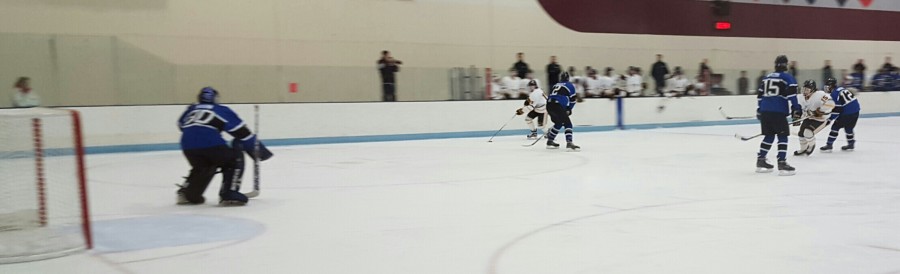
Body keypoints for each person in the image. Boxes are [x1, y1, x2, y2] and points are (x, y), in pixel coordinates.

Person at [177, 87, 273, 206]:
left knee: (203, 166)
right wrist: (260, 152)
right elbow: (242, 133)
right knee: (233, 158)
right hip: (211, 144)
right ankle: (229, 193)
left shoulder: (191, 109)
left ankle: (188, 193)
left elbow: (181, 125)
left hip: (187, 147)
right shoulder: (220, 110)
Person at [755, 55, 801, 175]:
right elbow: (792, 95)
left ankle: (761, 160)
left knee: (769, 135)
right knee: (782, 136)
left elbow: (760, 96)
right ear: (785, 65)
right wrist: (796, 108)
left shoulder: (766, 78)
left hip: (765, 110)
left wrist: (759, 109)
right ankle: (782, 162)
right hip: (778, 111)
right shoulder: (787, 77)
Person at [793, 80, 835, 156]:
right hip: (808, 118)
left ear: (812, 89)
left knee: (808, 133)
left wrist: (819, 111)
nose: (805, 91)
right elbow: (799, 107)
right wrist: (797, 114)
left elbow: (831, 104)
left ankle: (811, 145)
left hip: (820, 119)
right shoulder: (801, 97)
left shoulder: (820, 95)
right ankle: (803, 149)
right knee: (801, 134)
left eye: (807, 90)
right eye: (804, 89)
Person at [820, 77, 861, 152]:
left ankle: (829, 144)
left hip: (847, 112)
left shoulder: (834, 93)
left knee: (835, 127)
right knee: (849, 128)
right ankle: (851, 143)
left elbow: (838, 110)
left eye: (827, 86)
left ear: (831, 86)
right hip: (856, 111)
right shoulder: (841, 88)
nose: (826, 88)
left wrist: (830, 119)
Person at [546, 71, 579, 151]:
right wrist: (569, 108)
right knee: (568, 123)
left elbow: (556, 96)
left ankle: (550, 141)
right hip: (557, 105)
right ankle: (569, 143)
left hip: (549, 105)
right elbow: (573, 100)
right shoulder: (570, 85)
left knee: (559, 123)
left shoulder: (556, 85)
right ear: (568, 78)